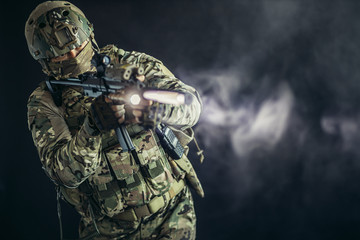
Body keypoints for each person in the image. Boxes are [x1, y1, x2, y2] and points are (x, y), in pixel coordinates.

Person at [25, 1, 204, 239]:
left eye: (80, 49)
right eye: (62, 57)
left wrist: (149, 109)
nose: (73, 56)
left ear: (89, 34)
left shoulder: (131, 65)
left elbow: (190, 106)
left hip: (172, 213)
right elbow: (64, 174)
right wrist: (92, 128)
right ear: (44, 59)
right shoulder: (45, 102)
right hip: (109, 231)